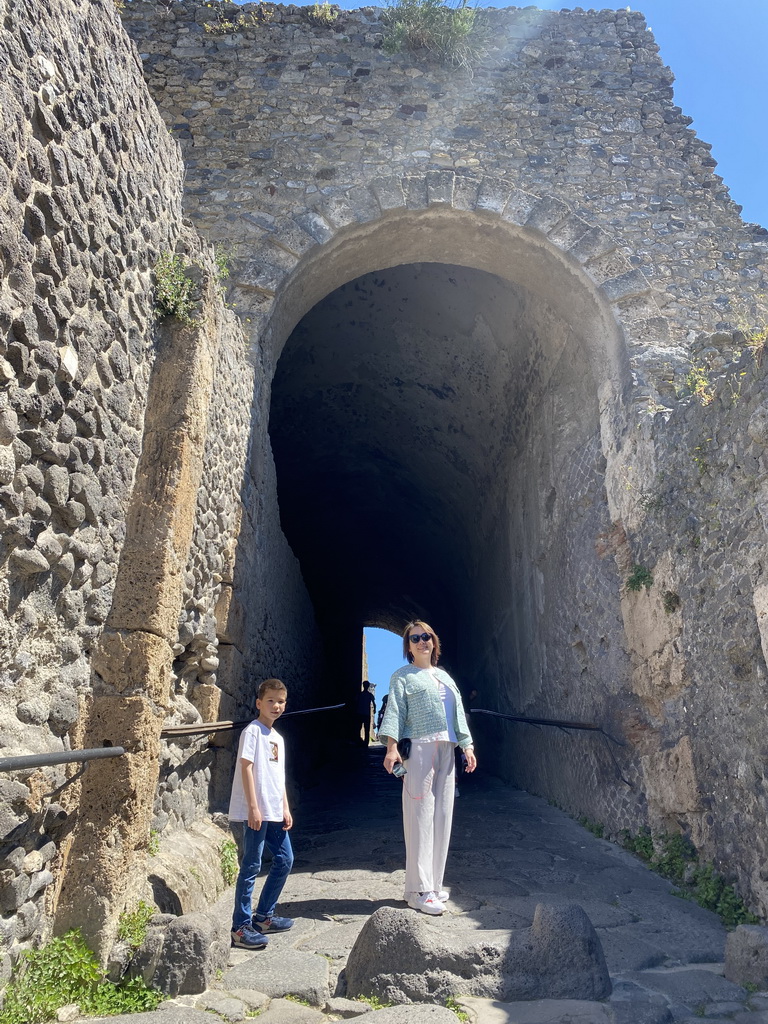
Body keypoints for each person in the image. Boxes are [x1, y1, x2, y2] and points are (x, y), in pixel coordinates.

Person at [379, 620, 476, 916]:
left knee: (443, 816)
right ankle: (421, 889)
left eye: (427, 637)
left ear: (434, 642)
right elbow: (395, 710)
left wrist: (467, 745)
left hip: (447, 749)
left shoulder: (445, 677)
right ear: (408, 646)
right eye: (415, 638)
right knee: (420, 817)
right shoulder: (403, 677)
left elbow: (458, 713)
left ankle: (428, 885)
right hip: (419, 749)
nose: (422, 642)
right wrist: (391, 747)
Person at [228, 678, 295, 949]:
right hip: (257, 810)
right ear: (259, 703)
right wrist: (252, 807)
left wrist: (286, 807)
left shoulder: (277, 738)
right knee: (252, 866)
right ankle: (240, 927)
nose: (276, 706)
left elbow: (278, 777)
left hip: (275, 811)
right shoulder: (252, 732)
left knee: (285, 859)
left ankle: (264, 916)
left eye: (280, 701)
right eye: (270, 701)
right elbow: (246, 767)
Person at [356, 680, 376, 745]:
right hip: (366, 713)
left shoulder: (360, 694)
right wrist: (374, 710)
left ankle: (359, 741)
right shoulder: (370, 695)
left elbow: (356, 702)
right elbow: (374, 703)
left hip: (360, 712)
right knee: (366, 728)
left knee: (359, 727)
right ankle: (366, 742)